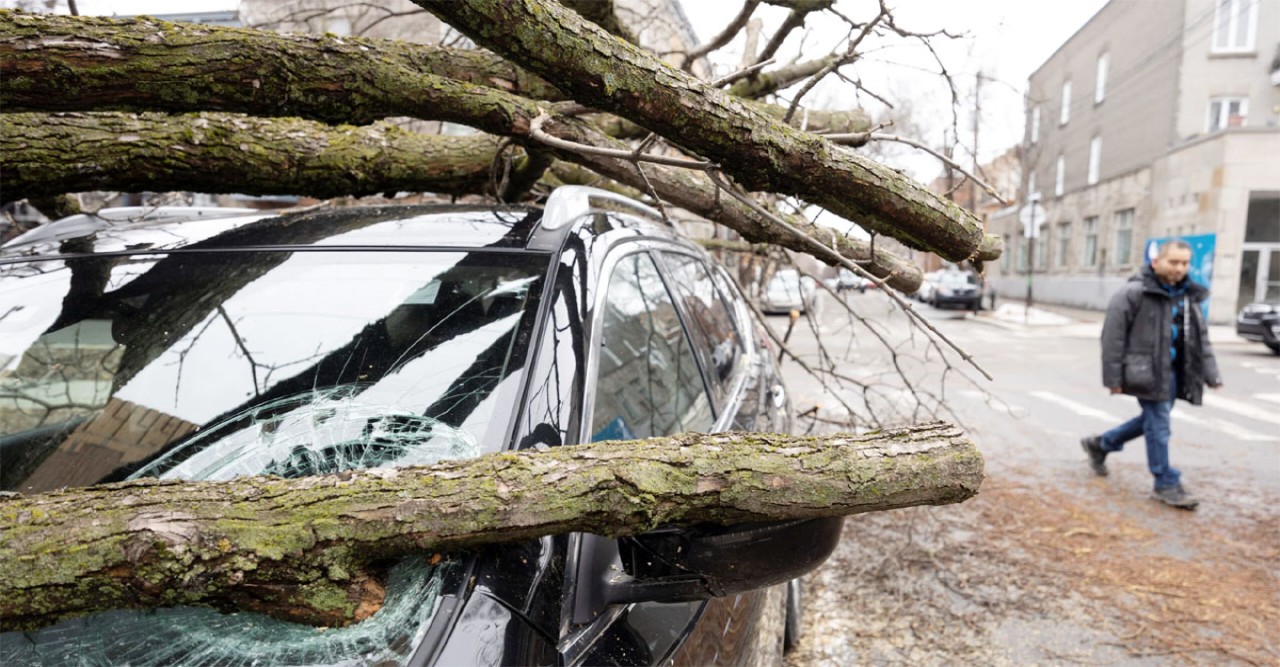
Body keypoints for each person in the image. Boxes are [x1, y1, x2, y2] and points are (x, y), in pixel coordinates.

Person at [1081, 239, 1223, 510]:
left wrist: (1211, 373)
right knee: (1159, 425)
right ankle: (1166, 482)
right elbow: (1112, 337)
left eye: (1184, 263)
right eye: (1173, 262)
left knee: (1151, 420)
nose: (1179, 268)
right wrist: (1113, 378)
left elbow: (1200, 339)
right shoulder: (1134, 292)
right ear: (1157, 262)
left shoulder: (1188, 295)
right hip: (1145, 372)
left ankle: (1101, 444)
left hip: (1174, 374)